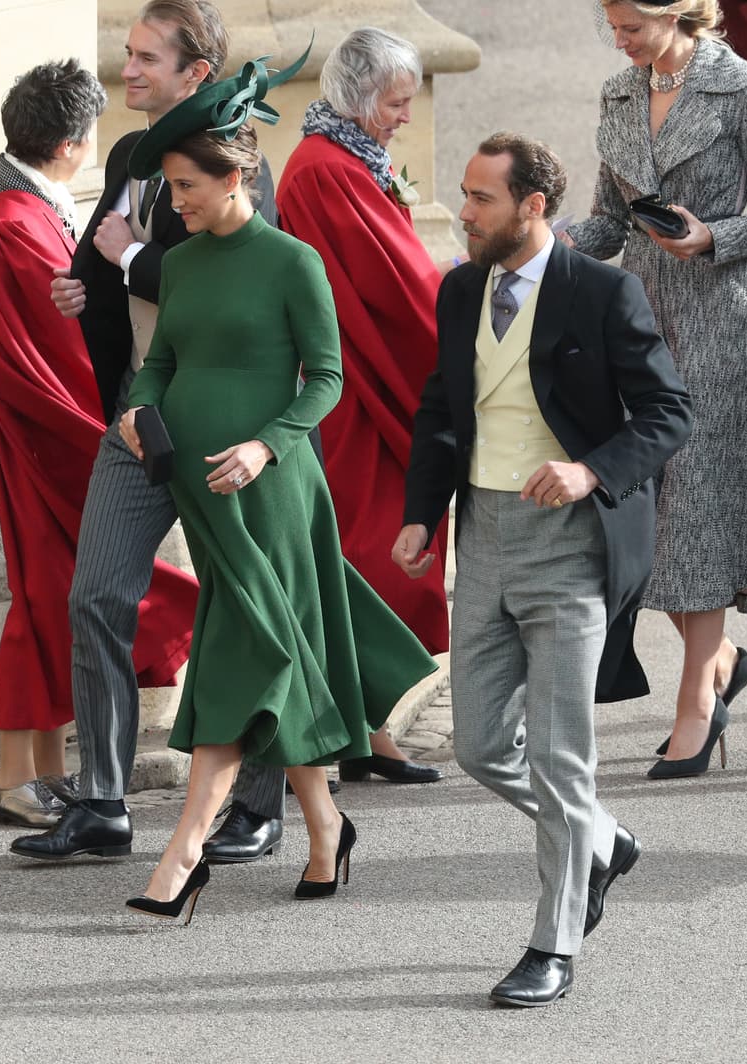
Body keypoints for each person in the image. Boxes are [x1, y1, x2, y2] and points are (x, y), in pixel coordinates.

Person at [117, 61, 438, 922]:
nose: (174, 202)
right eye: (172, 188)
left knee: (245, 648)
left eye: (186, 186)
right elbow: (159, 366)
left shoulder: (293, 261)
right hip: (198, 489)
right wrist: (137, 413)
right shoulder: (180, 265)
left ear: (236, 176)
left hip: (273, 493)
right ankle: (327, 826)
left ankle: (183, 852)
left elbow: (326, 379)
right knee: (276, 654)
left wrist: (265, 446)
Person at [394, 133, 692, 1006]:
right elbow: (441, 408)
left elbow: (668, 412)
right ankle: (602, 838)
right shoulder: (459, 289)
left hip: (570, 549)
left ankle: (552, 945)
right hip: (481, 537)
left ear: (533, 207)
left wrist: (590, 469)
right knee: (481, 746)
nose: (464, 212)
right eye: (464, 194)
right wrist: (421, 512)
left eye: (482, 198)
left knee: (563, 760)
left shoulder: (603, 292)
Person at [11, 0, 291, 864]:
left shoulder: (240, 162)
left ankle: (259, 800)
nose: (125, 69)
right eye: (126, 53)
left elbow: (225, 289)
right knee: (95, 595)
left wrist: (127, 258)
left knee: (245, 608)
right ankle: (102, 803)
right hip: (135, 417)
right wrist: (82, 284)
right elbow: (105, 248)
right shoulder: (133, 153)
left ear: (196, 74)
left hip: (222, 430)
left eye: (145, 58)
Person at [0, 60, 195, 827]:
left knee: (53, 597)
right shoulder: (14, 222)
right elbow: (51, 354)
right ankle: (10, 777)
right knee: (41, 598)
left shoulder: (23, 211)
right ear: (69, 143)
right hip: (40, 442)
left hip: (44, 436)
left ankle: (47, 770)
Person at [563, 0, 747, 779]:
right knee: (657, 510)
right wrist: (548, 241)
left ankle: (697, 703)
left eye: (630, 25)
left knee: (698, 510)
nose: (619, 40)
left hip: (719, 321)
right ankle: (722, 661)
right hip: (639, 325)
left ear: (678, 13)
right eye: (611, 26)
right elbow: (610, 222)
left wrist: (713, 235)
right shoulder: (618, 93)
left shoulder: (739, 88)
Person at [276, 26, 449, 786]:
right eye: (395, 102)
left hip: (358, 384)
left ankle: (366, 731)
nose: (404, 117)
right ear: (356, 96)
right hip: (352, 394)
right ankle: (362, 733)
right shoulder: (326, 170)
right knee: (373, 558)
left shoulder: (338, 156)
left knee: (372, 559)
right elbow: (398, 287)